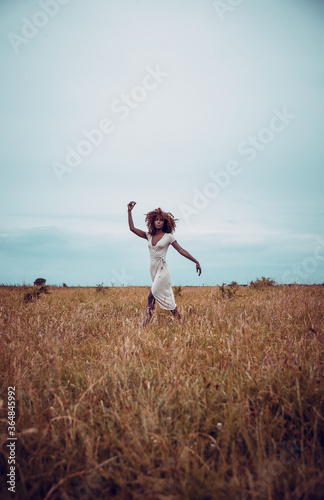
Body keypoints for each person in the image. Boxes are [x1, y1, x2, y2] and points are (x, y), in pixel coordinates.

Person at [127, 201, 202, 327]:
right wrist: (129, 211)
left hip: (163, 271)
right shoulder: (148, 235)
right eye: (156, 219)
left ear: (164, 222)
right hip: (153, 271)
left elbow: (181, 250)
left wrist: (196, 261)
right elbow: (132, 229)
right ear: (153, 221)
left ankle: (144, 326)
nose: (158, 222)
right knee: (168, 299)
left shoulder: (169, 237)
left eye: (161, 220)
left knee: (151, 296)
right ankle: (181, 322)